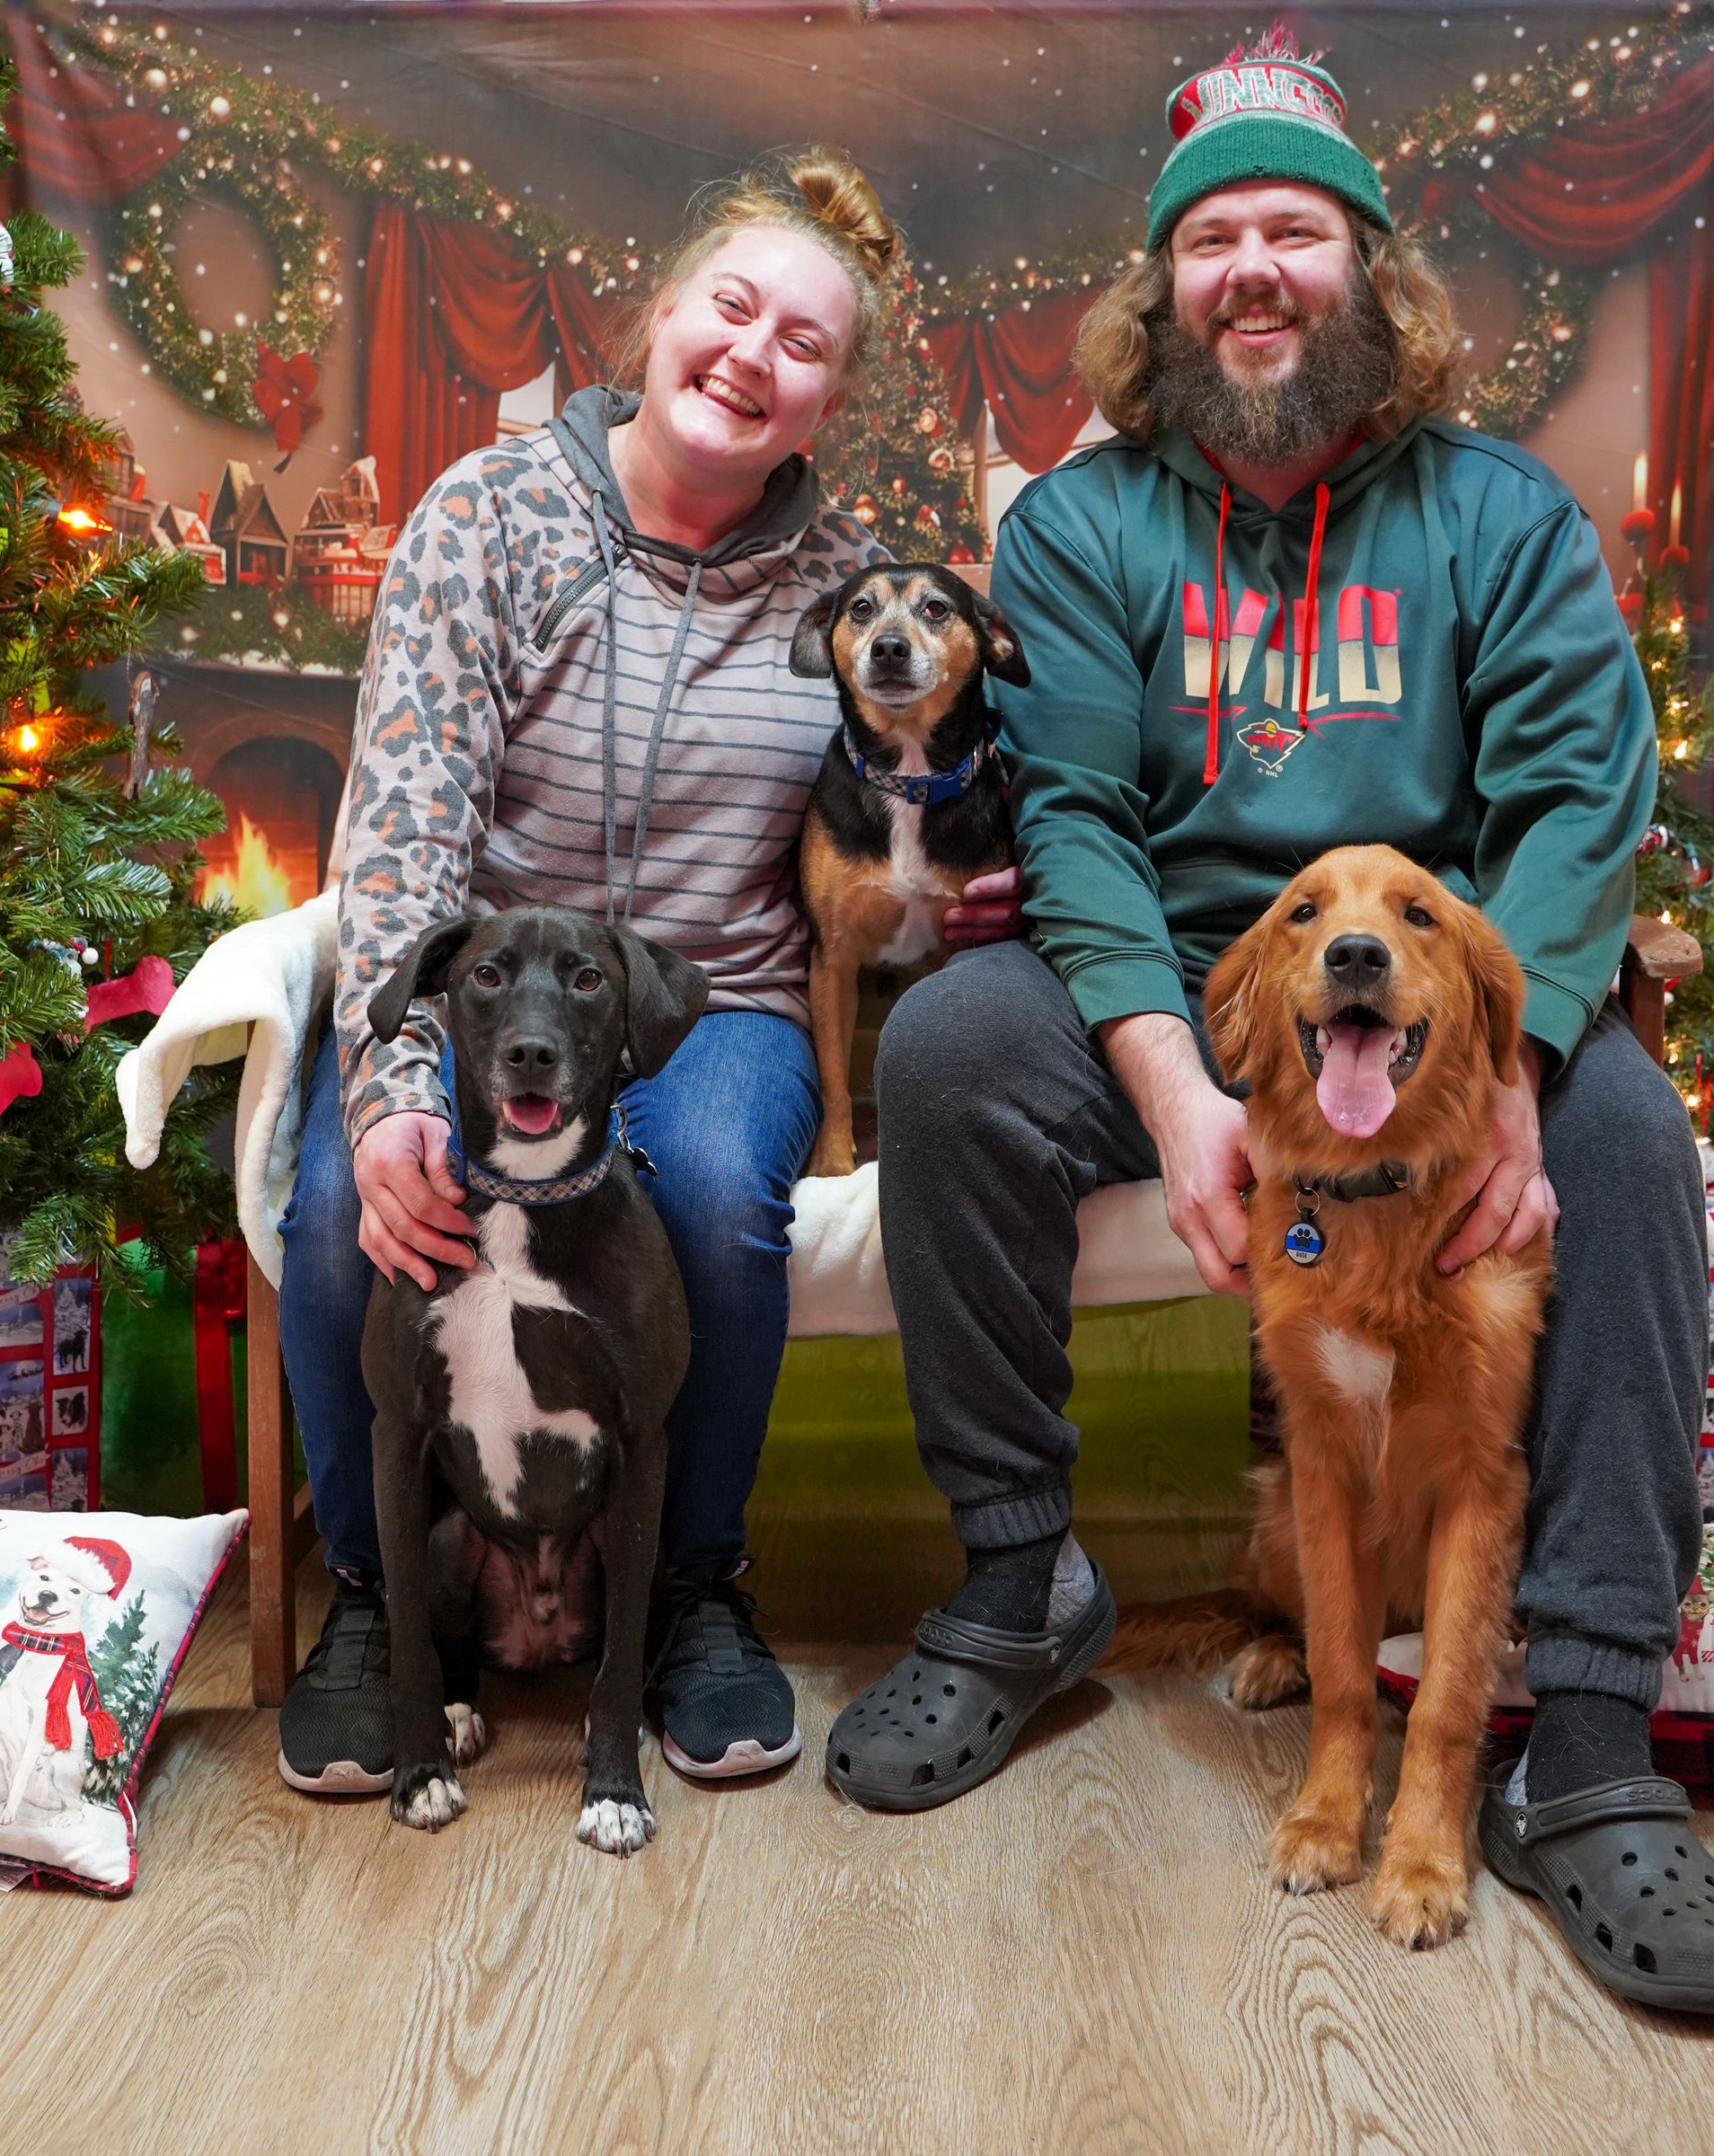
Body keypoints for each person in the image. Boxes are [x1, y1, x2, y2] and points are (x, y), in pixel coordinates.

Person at [831, 33, 1714, 2008]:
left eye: (1292, 231)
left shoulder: (1494, 515)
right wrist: (1169, 1081)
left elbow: (1583, 789)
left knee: (1641, 1158)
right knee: (959, 1057)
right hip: (1188, 968)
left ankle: (1579, 1740)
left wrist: (1521, 1077)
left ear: (1368, 275)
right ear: (1162, 289)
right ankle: (1015, 1585)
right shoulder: (1080, 529)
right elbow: (1069, 814)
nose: (1249, 267)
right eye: (1209, 236)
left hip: (1449, 987)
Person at [277, 146, 1021, 1796]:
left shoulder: (844, 596)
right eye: (733, 310)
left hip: (718, 1006)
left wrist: (991, 868)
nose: (756, 357)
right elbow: (400, 834)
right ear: (660, 316)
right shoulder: (488, 517)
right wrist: (402, 1086)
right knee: (346, 1208)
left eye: (804, 347)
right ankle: (376, 1606)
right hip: (485, 1006)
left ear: (825, 407)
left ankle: (691, 1590)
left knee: (699, 1188)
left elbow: (950, 755)